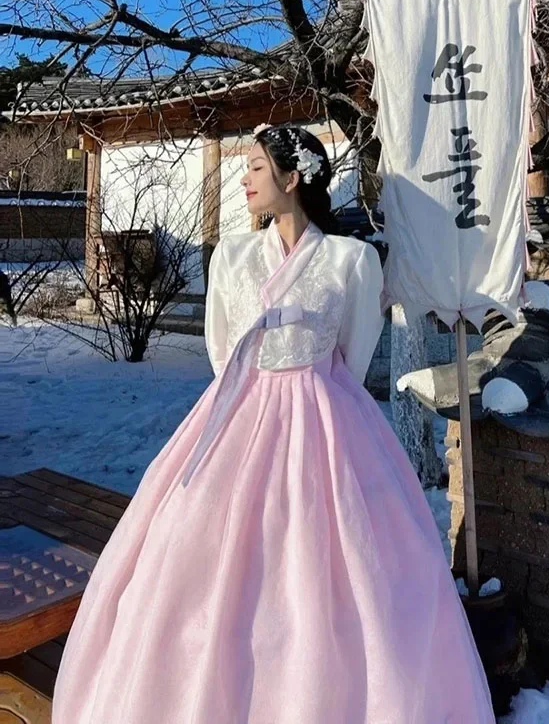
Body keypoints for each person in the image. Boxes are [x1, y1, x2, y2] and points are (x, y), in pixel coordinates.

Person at [51, 124, 495, 723]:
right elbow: (221, 349)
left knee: (335, 565)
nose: (245, 178)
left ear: (293, 178)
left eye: (257, 168)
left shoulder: (352, 259)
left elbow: (354, 350)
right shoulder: (231, 256)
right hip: (238, 414)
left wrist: (307, 386)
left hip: (327, 418)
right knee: (209, 566)